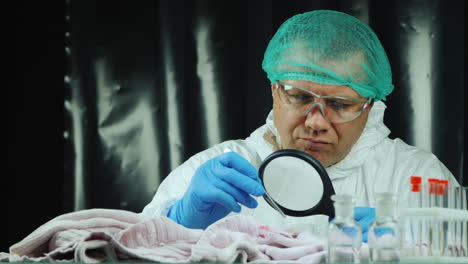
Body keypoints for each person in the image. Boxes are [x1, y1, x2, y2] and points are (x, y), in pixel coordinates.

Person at [141, 10, 459, 242]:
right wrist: (175, 223)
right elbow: (122, 250)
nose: (316, 121)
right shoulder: (218, 172)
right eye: (299, 97)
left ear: (370, 107)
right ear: (275, 91)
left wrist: (418, 248)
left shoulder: (417, 176)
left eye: (340, 104)